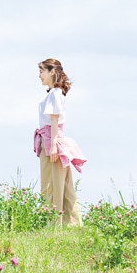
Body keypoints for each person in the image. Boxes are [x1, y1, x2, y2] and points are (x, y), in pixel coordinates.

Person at [33, 58, 86, 226]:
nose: (39, 75)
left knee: (51, 185)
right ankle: (72, 223)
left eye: (42, 71)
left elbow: (54, 121)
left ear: (52, 72)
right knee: (63, 185)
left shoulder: (55, 94)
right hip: (51, 140)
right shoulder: (53, 93)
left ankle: (53, 224)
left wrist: (54, 145)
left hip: (51, 141)